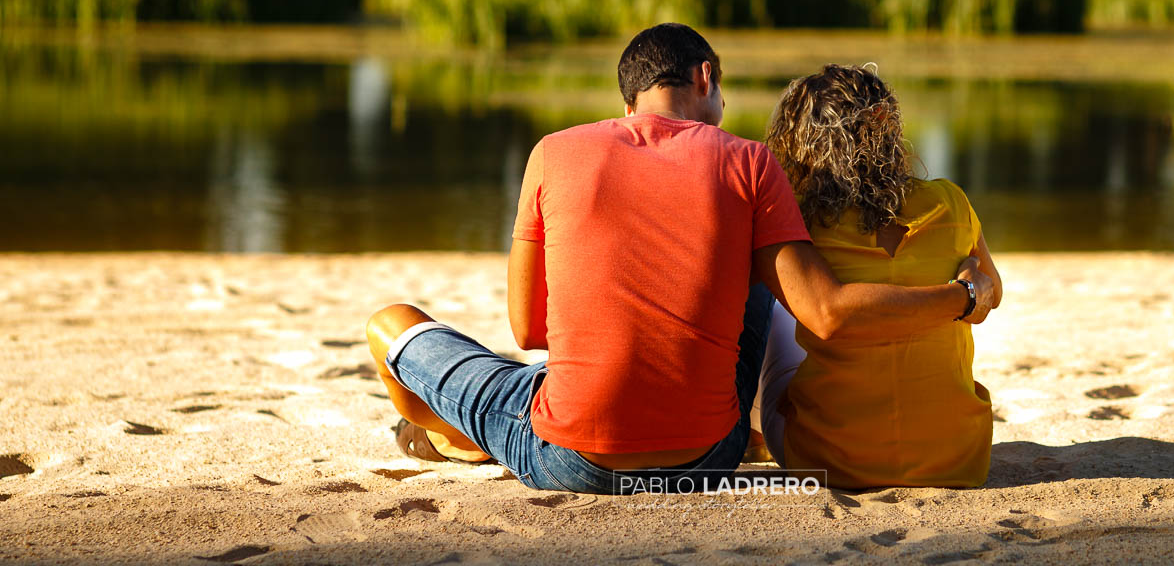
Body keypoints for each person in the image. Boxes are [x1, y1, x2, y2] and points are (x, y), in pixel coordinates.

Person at [366, 24, 998, 494]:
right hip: (708, 457)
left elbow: (530, 330)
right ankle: (459, 436)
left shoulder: (552, 153)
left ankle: (446, 431)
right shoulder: (748, 159)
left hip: (574, 460)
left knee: (392, 324)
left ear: (628, 103)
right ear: (705, 78)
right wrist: (965, 296)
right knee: (757, 274)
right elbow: (818, 307)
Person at [752, 63, 1002, 488]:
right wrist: (960, 292)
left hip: (832, 458)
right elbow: (986, 298)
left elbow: (827, 314)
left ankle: (752, 435)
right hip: (958, 458)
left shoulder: (800, 225)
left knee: (767, 307)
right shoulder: (951, 203)